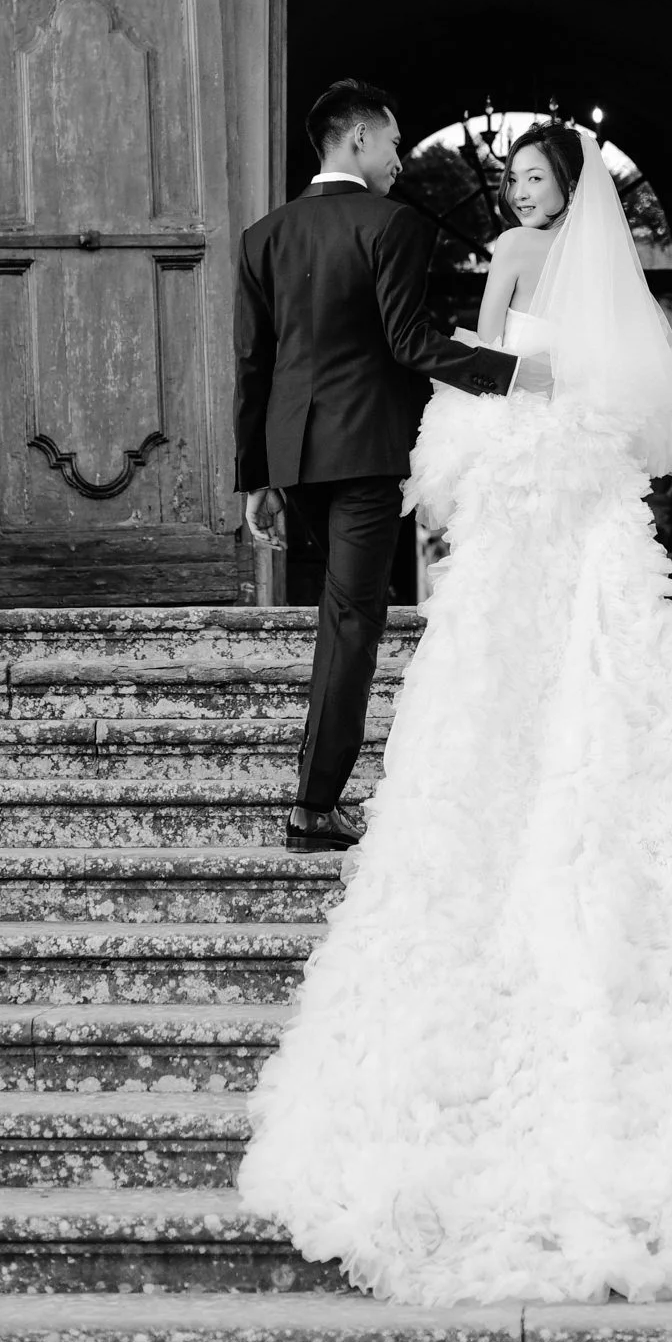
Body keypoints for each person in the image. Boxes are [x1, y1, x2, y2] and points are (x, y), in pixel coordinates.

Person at [238, 117, 672, 1302]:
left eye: (529, 175)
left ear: (564, 185)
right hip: (537, 470)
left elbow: (464, 362)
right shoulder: (538, 258)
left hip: (538, 472)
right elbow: (517, 371)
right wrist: (511, 414)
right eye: (507, 175)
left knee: (543, 661)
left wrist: (489, 432)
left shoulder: (487, 261)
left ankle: (393, 795)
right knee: (514, 659)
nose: (514, 191)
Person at [235, 79, 550, 853]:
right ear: (355, 140)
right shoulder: (391, 225)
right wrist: (508, 375)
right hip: (366, 450)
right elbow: (409, 344)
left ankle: (317, 793)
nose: (400, 159)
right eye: (392, 141)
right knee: (350, 622)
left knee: (339, 617)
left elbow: (253, 362)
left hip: (294, 456)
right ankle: (313, 806)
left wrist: (256, 479)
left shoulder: (262, 235)